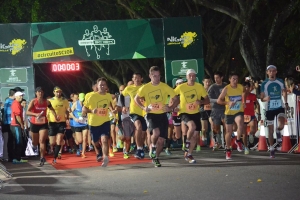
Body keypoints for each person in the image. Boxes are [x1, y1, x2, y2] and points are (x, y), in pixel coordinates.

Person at [134, 66, 179, 167]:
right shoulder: (145, 88)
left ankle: (155, 157)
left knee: (161, 140)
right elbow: (136, 98)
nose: (157, 78)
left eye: (158, 76)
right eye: (154, 76)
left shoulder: (165, 86)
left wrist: (171, 107)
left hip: (162, 114)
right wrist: (143, 107)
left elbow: (177, 99)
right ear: (150, 76)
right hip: (150, 114)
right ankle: (152, 146)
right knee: (156, 132)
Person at [174, 69, 209, 163]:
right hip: (184, 112)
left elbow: (207, 100)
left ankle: (188, 154)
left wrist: (201, 102)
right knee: (192, 126)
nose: (192, 77)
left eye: (193, 75)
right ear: (186, 77)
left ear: (195, 77)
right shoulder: (181, 87)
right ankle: (187, 143)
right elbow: (172, 96)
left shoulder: (199, 86)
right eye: (190, 75)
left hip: (196, 113)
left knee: (195, 135)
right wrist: (174, 107)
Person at [83, 77, 114, 167]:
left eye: (103, 85)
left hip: (105, 121)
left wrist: (113, 110)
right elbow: (84, 109)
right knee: (95, 142)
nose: (102, 86)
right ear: (97, 86)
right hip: (93, 123)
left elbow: (109, 106)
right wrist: (92, 111)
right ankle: (99, 151)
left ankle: (105, 157)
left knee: (104, 140)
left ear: (106, 87)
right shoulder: (92, 96)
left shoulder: (108, 96)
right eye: (100, 85)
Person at [260, 65, 288, 158]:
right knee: (270, 130)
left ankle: (278, 131)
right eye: (270, 71)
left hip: (279, 106)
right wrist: (265, 99)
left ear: (276, 72)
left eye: (273, 71)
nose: (271, 73)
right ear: (267, 72)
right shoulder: (264, 83)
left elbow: (284, 92)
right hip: (269, 108)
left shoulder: (280, 81)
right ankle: (271, 148)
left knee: (281, 125)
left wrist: (286, 102)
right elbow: (261, 98)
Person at [217, 71, 246, 160]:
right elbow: (219, 101)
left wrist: (244, 102)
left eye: (237, 79)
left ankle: (238, 140)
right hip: (229, 113)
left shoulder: (241, 87)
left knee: (240, 122)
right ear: (229, 80)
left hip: (238, 111)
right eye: (233, 79)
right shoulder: (226, 89)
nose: (235, 81)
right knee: (228, 132)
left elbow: (244, 93)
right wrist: (227, 102)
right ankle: (228, 149)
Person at [26, 87, 58, 166]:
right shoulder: (33, 101)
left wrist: (55, 116)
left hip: (43, 124)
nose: (40, 93)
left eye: (41, 92)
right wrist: (35, 114)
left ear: (43, 93)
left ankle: (42, 157)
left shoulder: (46, 102)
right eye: (38, 92)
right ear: (36, 93)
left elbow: (52, 109)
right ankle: (35, 147)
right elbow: (27, 112)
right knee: (35, 142)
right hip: (34, 123)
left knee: (42, 140)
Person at [121, 73, 148, 160]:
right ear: (132, 79)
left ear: (141, 78)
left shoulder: (145, 87)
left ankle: (140, 147)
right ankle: (139, 149)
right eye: (135, 78)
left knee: (143, 133)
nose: (136, 79)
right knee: (138, 126)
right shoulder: (129, 88)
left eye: (138, 78)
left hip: (144, 112)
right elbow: (122, 95)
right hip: (134, 112)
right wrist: (123, 106)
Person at [48, 86, 69, 164]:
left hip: (61, 122)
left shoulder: (64, 100)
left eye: (60, 91)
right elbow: (47, 111)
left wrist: (67, 117)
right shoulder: (49, 100)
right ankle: (51, 148)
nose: (58, 93)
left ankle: (55, 157)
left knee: (59, 140)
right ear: (54, 92)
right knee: (52, 142)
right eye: (57, 92)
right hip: (52, 123)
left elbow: (67, 110)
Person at [208, 71, 227, 150]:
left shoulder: (226, 86)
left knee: (227, 126)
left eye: (217, 78)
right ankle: (217, 142)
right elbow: (208, 99)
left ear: (221, 77)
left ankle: (227, 143)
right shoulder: (212, 87)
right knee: (216, 127)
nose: (216, 79)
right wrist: (218, 100)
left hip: (225, 109)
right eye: (215, 78)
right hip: (215, 109)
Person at [242, 82, 260, 154]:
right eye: (244, 87)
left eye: (247, 87)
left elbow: (257, 104)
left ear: (250, 88)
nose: (246, 89)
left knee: (252, 129)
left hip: (251, 115)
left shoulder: (253, 96)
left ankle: (251, 135)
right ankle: (246, 147)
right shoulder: (240, 96)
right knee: (244, 133)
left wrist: (258, 113)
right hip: (243, 116)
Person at [10, 91, 28, 163]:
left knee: (19, 142)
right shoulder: (16, 104)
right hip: (15, 125)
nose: (21, 97)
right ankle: (16, 159)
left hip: (16, 125)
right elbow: (17, 116)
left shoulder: (17, 104)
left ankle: (18, 158)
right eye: (20, 96)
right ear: (16, 97)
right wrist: (21, 124)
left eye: (22, 96)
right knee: (18, 142)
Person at [71, 93, 89, 158]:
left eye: (83, 99)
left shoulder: (87, 103)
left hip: (85, 123)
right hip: (77, 124)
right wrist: (75, 118)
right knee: (80, 140)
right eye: (81, 100)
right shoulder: (76, 104)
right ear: (78, 98)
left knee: (85, 138)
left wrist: (86, 115)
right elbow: (70, 112)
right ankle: (75, 138)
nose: (82, 101)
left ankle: (83, 153)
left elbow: (89, 111)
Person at [199, 75, 212, 149]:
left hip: (212, 110)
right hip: (203, 110)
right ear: (203, 82)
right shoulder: (200, 89)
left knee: (213, 125)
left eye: (209, 82)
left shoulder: (212, 89)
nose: (208, 83)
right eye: (206, 82)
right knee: (205, 128)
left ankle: (214, 140)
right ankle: (203, 134)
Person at [2, 89, 16, 162]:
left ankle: (8, 157)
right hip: (10, 124)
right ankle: (9, 157)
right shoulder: (11, 102)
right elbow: (11, 114)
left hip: (7, 124)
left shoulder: (7, 101)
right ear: (14, 95)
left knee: (9, 141)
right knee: (9, 141)